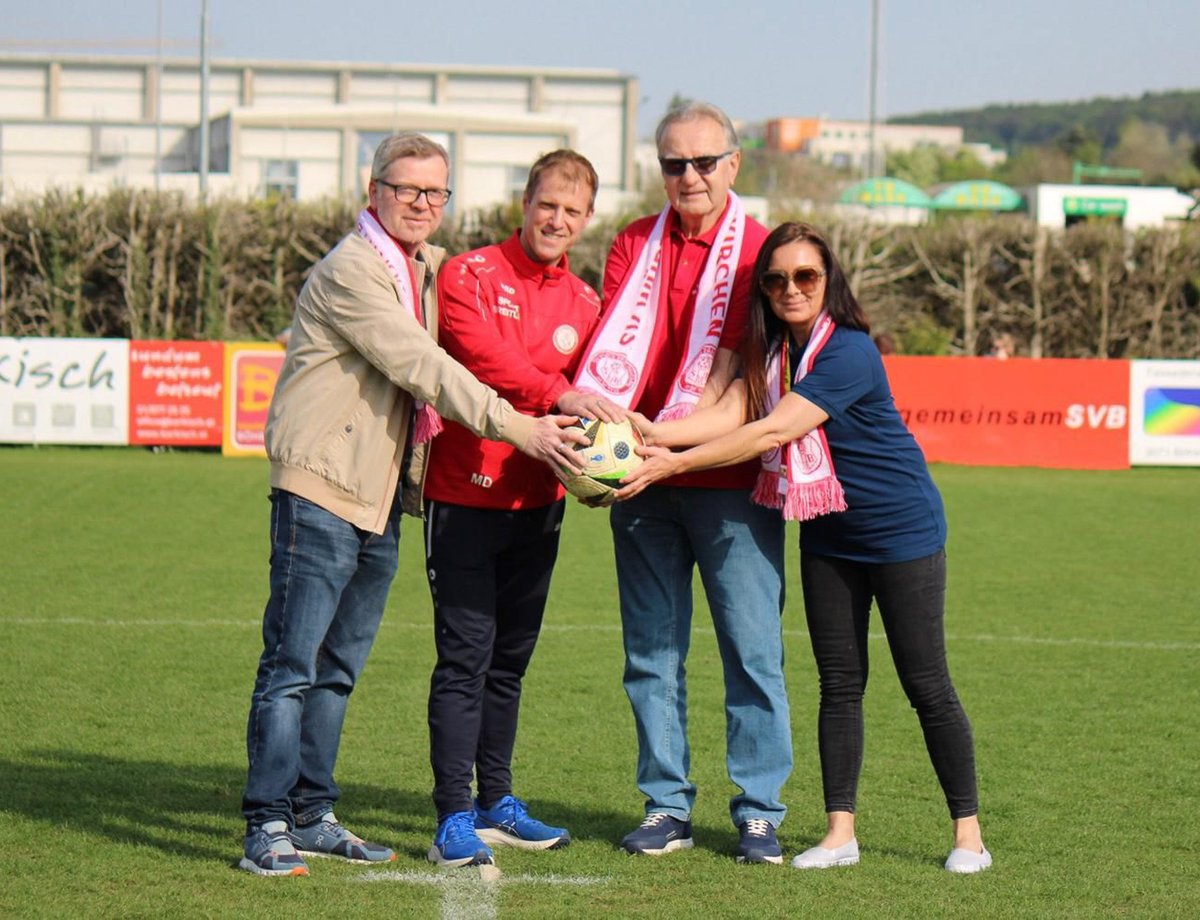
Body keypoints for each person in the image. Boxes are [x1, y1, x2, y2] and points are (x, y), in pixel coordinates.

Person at [239, 132, 586, 878]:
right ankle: (266, 822)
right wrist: (520, 426)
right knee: (292, 666)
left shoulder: (427, 267)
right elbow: (423, 365)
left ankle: (312, 814)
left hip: (381, 496)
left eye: (435, 192)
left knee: (337, 669)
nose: (421, 203)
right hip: (321, 486)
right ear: (374, 192)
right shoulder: (353, 270)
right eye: (406, 189)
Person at [618, 221, 992, 874]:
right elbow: (730, 414)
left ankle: (969, 836)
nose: (791, 288)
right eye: (776, 279)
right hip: (827, 530)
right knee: (840, 685)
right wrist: (652, 433)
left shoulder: (849, 350)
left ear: (828, 281)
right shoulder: (771, 353)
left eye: (805, 276)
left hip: (900, 533)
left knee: (926, 683)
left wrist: (673, 465)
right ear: (764, 290)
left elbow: (772, 432)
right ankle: (839, 834)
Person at [576, 101, 792, 865]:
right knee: (651, 652)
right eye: (675, 163)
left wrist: (660, 444)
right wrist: (613, 452)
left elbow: (739, 385)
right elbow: (612, 363)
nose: (690, 176)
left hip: (729, 482)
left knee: (752, 652)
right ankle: (666, 805)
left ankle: (759, 811)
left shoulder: (762, 251)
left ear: (734, 164)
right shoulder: (632, 242)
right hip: (641, 479)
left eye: (704, 161)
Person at [421, 149, 619, 867]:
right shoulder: (469, 274)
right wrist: (558, 392)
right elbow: (480, 360)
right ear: (525, 204)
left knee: (510, 662)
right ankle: (453, 815)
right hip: (463, 495)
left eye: (572, 211)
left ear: (587, 219)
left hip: (540, 499)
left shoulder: (588, 304)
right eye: (547, 205)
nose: (557, 220)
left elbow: (601, 386)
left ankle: (495, 802)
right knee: (465, 659)